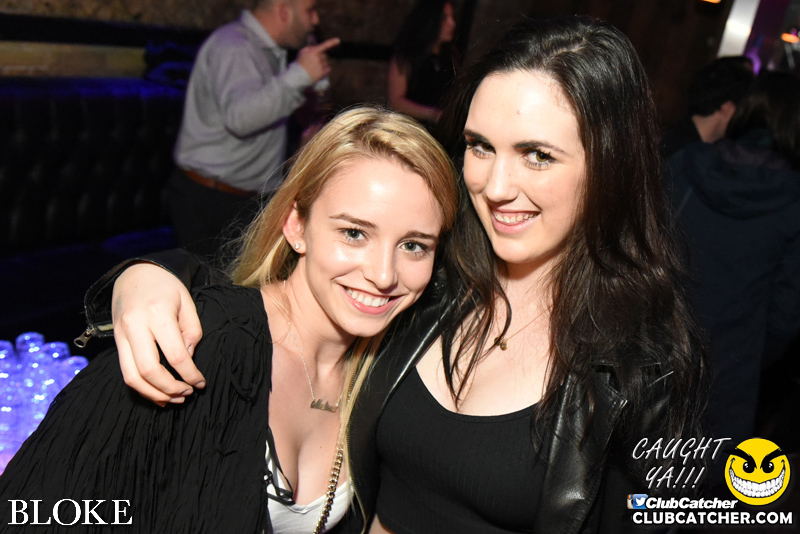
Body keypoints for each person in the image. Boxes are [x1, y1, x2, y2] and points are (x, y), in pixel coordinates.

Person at [76, 17, 707, 533]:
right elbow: (286, 289)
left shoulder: (642, 367)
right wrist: (148, 275)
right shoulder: (431, 284)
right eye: (480, 146)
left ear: (610, 166)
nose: (495, 185)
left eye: (537, 155)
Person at [0, 107, 459, 533]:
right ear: (296, 226)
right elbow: (32, 507)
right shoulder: (200, 341)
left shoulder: (392, 366)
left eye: (413, 245)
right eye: (354, 233)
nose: (383, 275)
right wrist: (139, 275)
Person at [667, 71, 800, 456]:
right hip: (724, 382)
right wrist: (746, 350)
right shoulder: (794, 202)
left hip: (648, 355)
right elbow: (785, 317)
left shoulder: (685, 161)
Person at [170, 0, 340, 260]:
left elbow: (265, 120)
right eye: (310, 10)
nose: (315, 20)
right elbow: (240, 119)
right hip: (212, 201)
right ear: (284, 11)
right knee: (214, 285)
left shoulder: (269, 52)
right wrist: (300, 75)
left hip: (247, 200)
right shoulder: (234, 46)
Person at [661, 56, 754, 159]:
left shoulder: (682, 141)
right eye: (744, 111)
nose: (746, 120)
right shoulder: (681, 155)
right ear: (728, 109)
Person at [387, 0, 457, 127]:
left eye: (452, 17)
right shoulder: (407, 56)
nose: (452, 23)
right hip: (411, 128)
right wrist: (432, 114)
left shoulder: (450, 57)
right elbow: (395, 102)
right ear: (431, 21)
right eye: (444, 18)